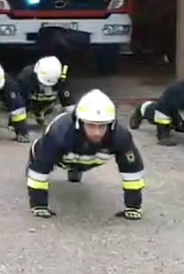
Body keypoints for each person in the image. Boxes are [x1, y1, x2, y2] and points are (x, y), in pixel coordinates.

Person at [25, 89, 146, 220]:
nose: (97, 132)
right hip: (63, 156)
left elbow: (132, 172)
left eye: (102, 126)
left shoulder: (121, 136)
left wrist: (133, 207)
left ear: (111, 124)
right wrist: (39, 205)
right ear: (79, 123)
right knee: (41, 156)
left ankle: (76, 169)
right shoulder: (58, 133)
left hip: (92, 158)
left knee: (85, 160)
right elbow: (39, 172)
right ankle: (68, 165)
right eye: (91, 125)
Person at [9, 55, 75, 136]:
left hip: (47, 102)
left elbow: (68, 102)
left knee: (51, 100)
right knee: (22, 102)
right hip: (29, 99)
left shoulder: (61, 78)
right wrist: (18, 126)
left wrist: (75, 124)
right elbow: (17, 102)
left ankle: (40, 112)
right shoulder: (25, 76)